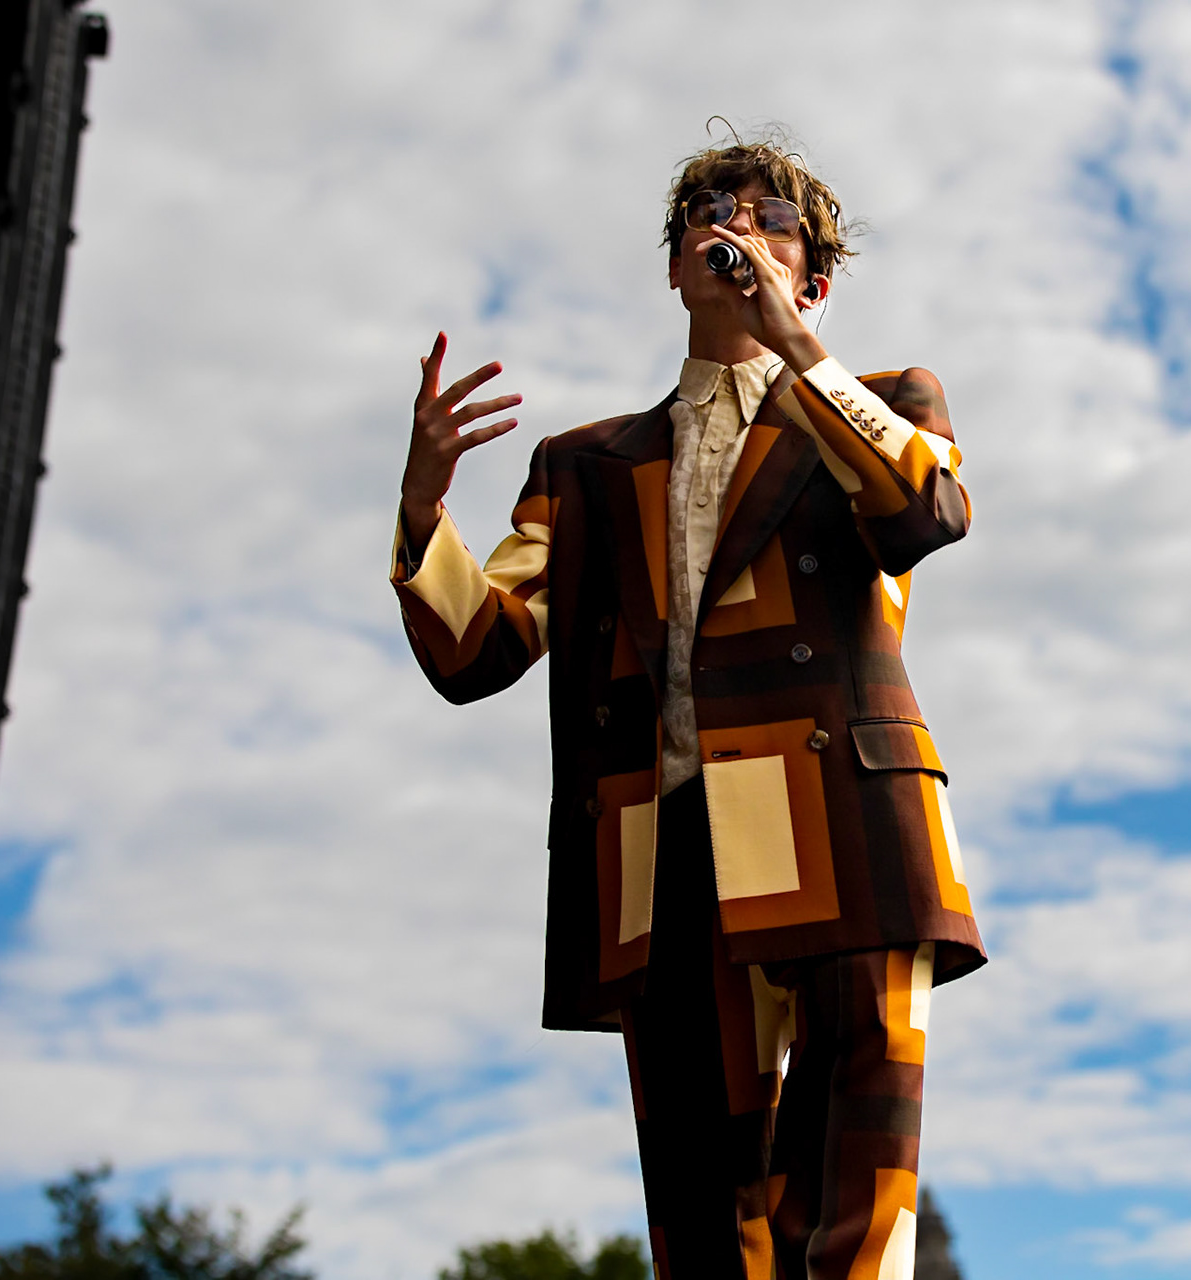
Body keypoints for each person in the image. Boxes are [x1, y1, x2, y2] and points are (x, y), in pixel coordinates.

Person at [391, 134, 983, 1280]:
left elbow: (922, 511)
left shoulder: (884, 401)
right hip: (667, 856)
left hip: (852, 821)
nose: (734, 225)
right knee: (706, 1232)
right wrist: (422, 507)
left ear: (811, 275)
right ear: (674, 268)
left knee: (857, 1215)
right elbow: (478, 647)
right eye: (711, 210)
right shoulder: (586, 465)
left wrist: (797, 346)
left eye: (769, 217)